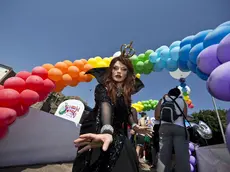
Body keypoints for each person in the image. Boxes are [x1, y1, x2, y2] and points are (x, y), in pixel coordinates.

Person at [73, 46, 153, 172]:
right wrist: (107, 132)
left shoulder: (126, 94)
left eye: (123, 69)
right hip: (97, 127)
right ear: (110, 70)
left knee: (126, 159)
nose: (118, 72)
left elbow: (127, 113)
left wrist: (135, 126)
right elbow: (106, 105)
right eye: (115, 68)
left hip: (117, 132)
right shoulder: (102, 88)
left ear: (128, 73)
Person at [155, 87, 190, 172]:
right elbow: (185, 116)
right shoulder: (182, 101)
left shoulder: (162, 100)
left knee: (163, 155)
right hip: (179, 127)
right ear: (178, 94)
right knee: (182, 155)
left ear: (169, 93)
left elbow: (156, 116)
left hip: (164, 128)